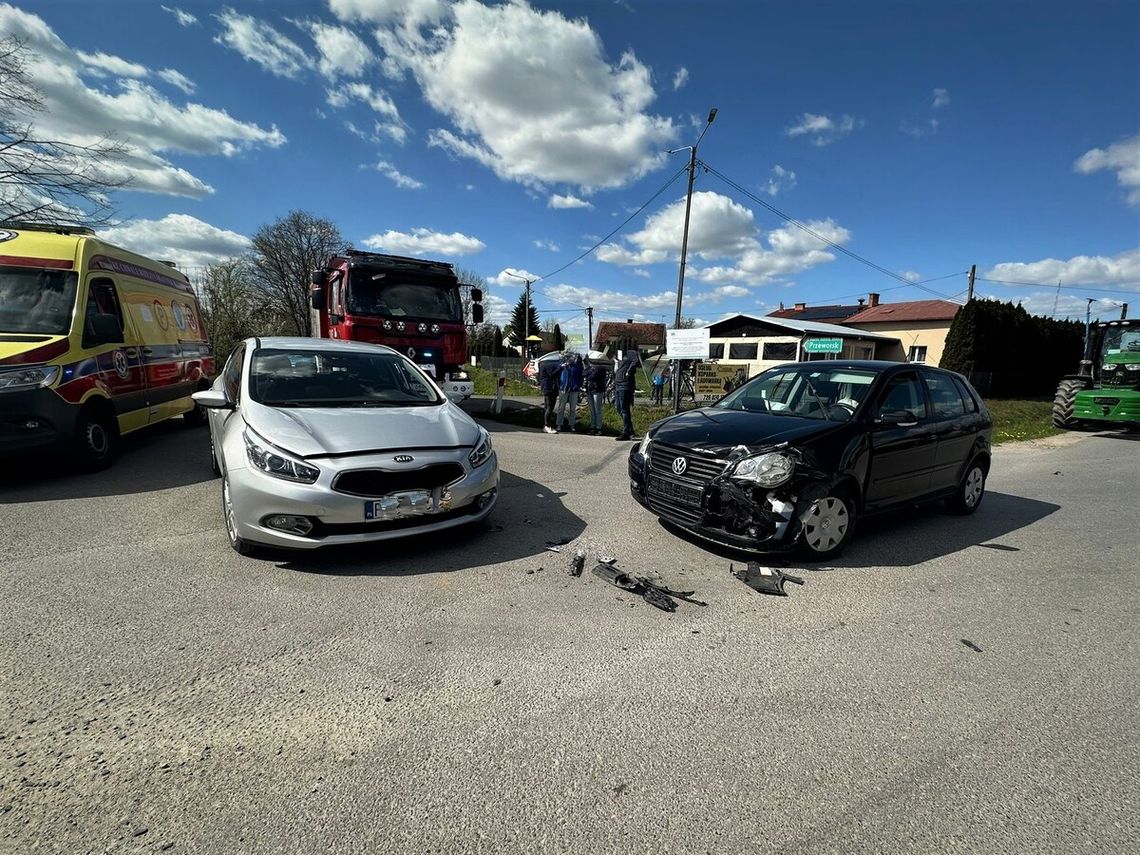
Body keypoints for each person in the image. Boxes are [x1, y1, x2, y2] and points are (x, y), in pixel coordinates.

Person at [613, 349, 640, 440]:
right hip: (617, 384)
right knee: (618, 408)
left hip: (625, 385)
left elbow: (635, 361)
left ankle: (626, 432)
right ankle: (630, 430)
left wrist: (629, 371)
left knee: (624, 410)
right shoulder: (618, 353)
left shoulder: (630, 352)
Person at [557, 352, 583, 432]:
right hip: (563, 388)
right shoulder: (563, 364)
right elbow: (558, 374)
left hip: (574, 388)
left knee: (573, 408)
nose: (570, 359)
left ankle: (571, 425)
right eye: (568, 357)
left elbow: (580, 376)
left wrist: (578, 385)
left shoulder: (577, 365)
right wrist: (559, 385)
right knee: (561, 408)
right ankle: (559, 424)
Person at [582, 354, 607, 435]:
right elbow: (584, 373)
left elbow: (592, 376)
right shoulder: (591, 368)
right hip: (590, 390)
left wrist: (588, 374)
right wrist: (588, 373)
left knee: (597, 410)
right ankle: (593, 426)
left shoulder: (600, 368)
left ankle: (599, 428)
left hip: (597, 390)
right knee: (592, 410)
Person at [538, 353, 563, 434]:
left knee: (547, 407)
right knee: (549, 407)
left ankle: (546, 425)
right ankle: (547, 425)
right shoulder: (549, 366)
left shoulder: (543, 365)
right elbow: (552, 375)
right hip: (550, 389)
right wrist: (561, 368)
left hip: (548, 388)